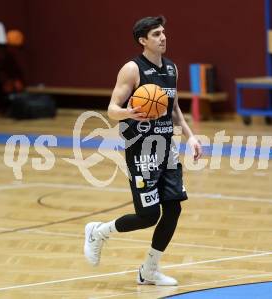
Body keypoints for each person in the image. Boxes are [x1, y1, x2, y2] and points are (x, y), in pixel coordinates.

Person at [83, 16, 202, 286]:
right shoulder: (132, 69)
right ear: (143, 40)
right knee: (148, 216)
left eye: (164, 32)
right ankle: (99, 231)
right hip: (141, 149)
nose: (163, 37)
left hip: (167, 148)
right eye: (157, 34)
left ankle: (149, 269)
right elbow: (112, 109)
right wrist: (129, 113)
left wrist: (191, 136)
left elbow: (174, 109)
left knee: (173, 210)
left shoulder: (171, 68)